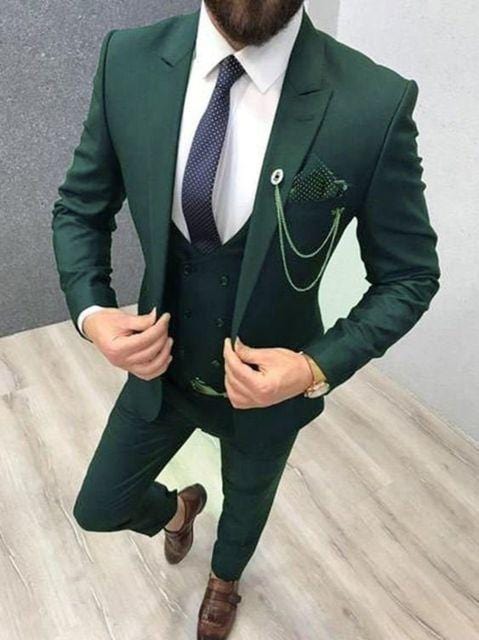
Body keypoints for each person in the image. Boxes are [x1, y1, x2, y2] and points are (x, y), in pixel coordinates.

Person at [50, 0, 441, 637]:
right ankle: (179, 512)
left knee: (248, 504)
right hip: (160, 369)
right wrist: (92, 312)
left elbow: (409, 275)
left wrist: (314, 368)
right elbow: (79, 207)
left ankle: (225, 579)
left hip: (271, 388)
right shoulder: (128, 61)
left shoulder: (374, 102)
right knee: (99, 506)